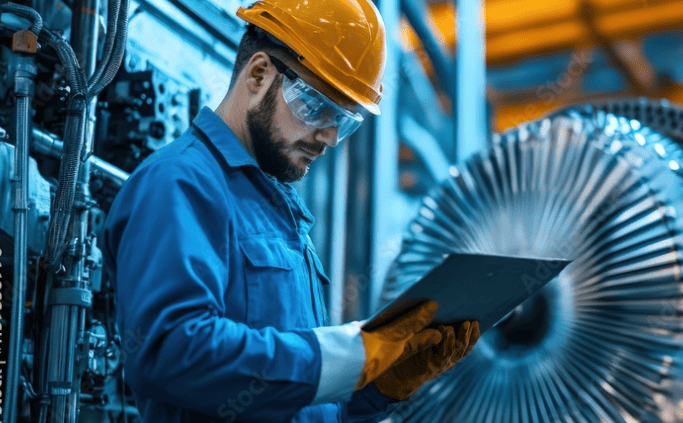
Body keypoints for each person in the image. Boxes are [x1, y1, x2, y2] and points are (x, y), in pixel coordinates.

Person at [102, 0, 480, 421]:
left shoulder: (279, 209)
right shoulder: (180, 183)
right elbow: (169, 350)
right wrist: (350, 354)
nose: (330, 137)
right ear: (260, 74)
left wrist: (374, 389)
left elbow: (291, 399)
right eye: (317, 107)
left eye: (345, 119)